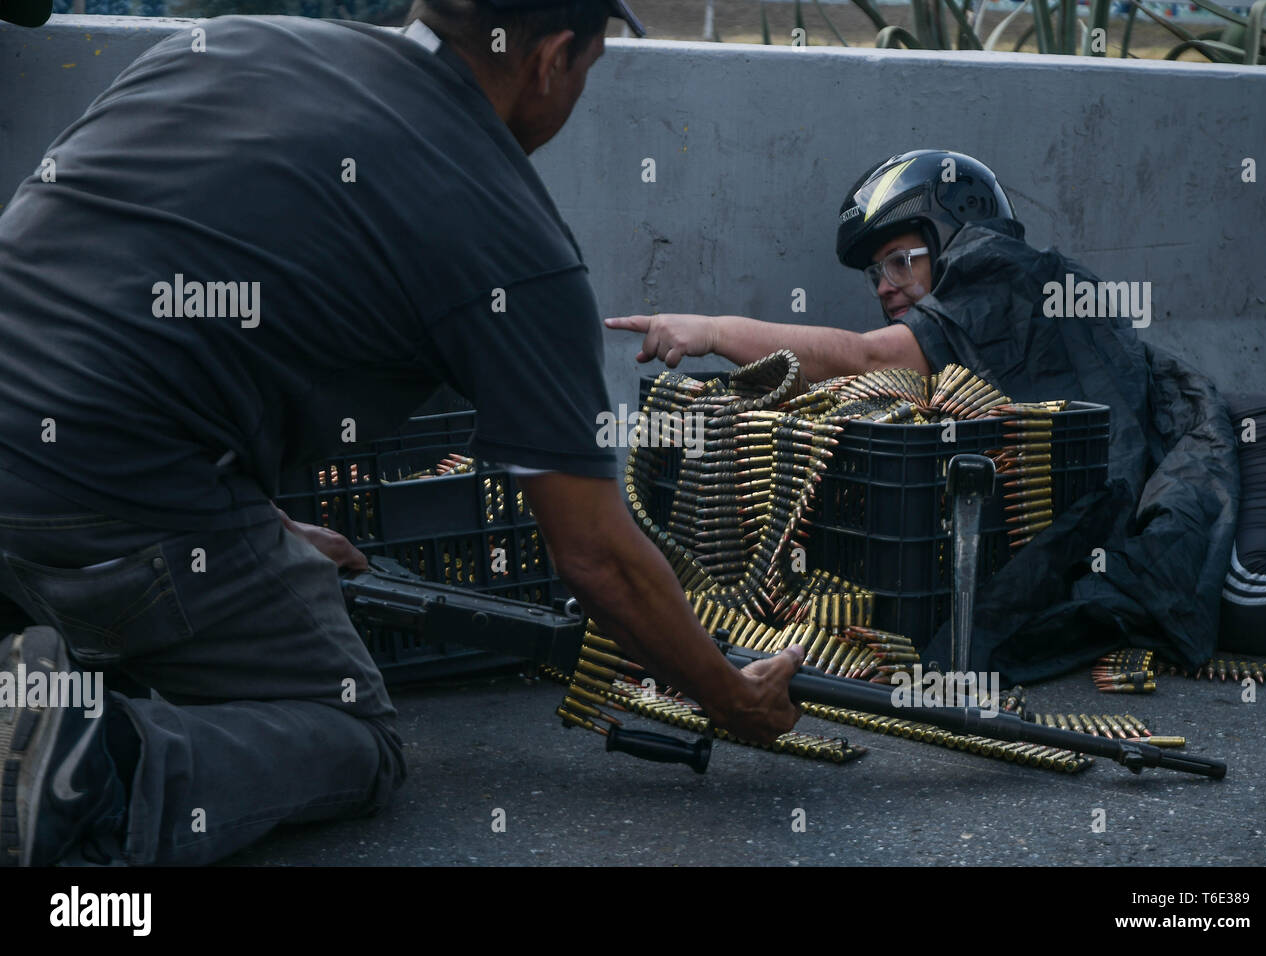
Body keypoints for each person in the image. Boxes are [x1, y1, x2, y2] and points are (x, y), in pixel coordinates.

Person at [0, 0, 805, 868]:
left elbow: (94, 308)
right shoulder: (510, 238)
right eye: (590, 67)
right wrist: (728, 696)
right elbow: (597, 558)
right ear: (551, 60)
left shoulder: (231, 42)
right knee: (350, 729)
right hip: (108, 500)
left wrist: (265, 527)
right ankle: (97, 760)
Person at [608, 149, 1266, 672]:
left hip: (1240, 450)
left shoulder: (1004, 276)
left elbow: (863, 358)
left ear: (955, 237)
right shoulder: (956, 337)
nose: (885, 286)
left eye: (901, 260)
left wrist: (713, 331)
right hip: (1179, 465)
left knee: (1247, 599)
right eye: (875, 273)